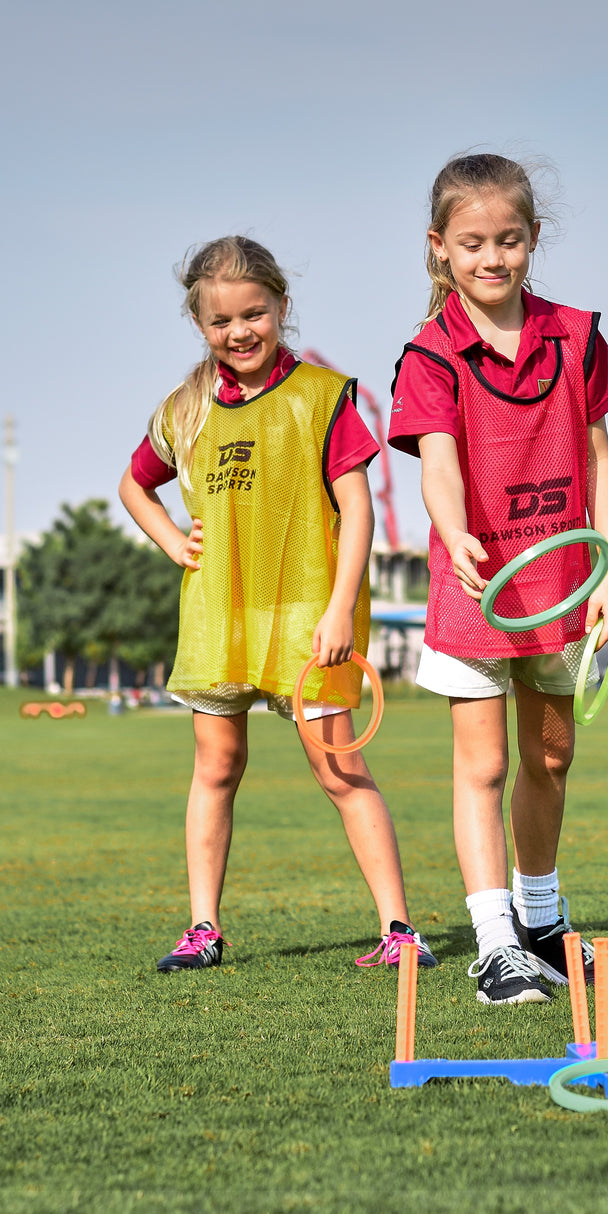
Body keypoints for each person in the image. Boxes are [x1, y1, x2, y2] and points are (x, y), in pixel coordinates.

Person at [119, 236, 434, 975]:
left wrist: (337, 609)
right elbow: (135, 484)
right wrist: (171, 541)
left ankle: (399, 930)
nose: (240, 332)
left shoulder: (323, 398)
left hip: (306, 617)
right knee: (216, 767)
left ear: (281, 307)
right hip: (219, 616)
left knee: (339, 771)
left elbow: (357, 512)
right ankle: (202, 929)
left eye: (254, 313)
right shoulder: (186, 408)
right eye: (221, 320)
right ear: (201, 325)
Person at [388, 153, 608, 1005]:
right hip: (476, 589)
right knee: (482, 767)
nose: (493, 259)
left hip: (565, 585)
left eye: (509, 240)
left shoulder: (576, 335)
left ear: (533, 240)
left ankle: (541, 918)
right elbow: (439, 463)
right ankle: (495, 943)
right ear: (440, 247)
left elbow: (601, 460)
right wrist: (452, 532)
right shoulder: (430, 351)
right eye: (473, 243)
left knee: (553, 758)